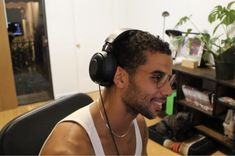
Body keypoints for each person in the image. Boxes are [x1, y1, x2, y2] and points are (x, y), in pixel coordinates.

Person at [39, 29, 174, 155]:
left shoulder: (139, 126)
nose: (168, 91)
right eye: (157, 77)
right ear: (120, 78)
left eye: (168, 79)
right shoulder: (69, 149)